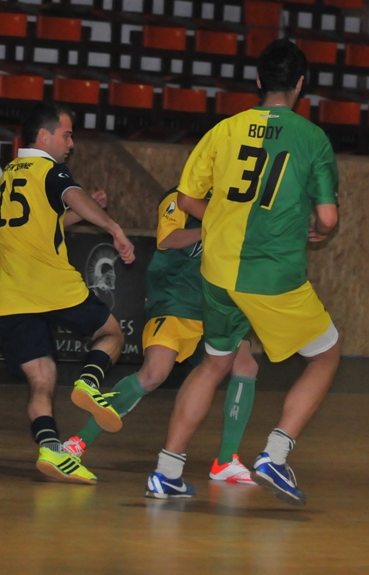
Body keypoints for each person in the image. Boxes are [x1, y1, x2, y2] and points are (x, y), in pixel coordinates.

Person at [145, 38, 341, 506]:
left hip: (218, 271)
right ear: (300, 84)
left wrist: (224, 218)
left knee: (214, 363)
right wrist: (314, 229)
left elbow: (187, 199)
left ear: (257, 81)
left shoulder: (224, 130)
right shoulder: (311, 138)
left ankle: (166, 471)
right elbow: (328, 218)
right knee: (326, 354)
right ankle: (276, 453)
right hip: (270, 272)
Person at [64, 187, 259, 487]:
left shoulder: (238, 198)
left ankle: (225, 460)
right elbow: (167, 238)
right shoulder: (181, 196)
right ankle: (78, 442)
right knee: (154, 374)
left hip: (219, 303)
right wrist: (211, 229)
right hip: (176, 299)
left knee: (246, 366)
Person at [0, 102, 135, 485]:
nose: (71, 144)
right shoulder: (50, 169)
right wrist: (113, 227)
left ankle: (51, 450)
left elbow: (44, 221)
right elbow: (73, 194)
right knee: (111, 333)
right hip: (49, 282)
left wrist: (81, 212)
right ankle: (89, 382)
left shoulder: (10, 172)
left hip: (11, 292)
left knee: (42, 378)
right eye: (66, 135)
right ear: (44, 136)